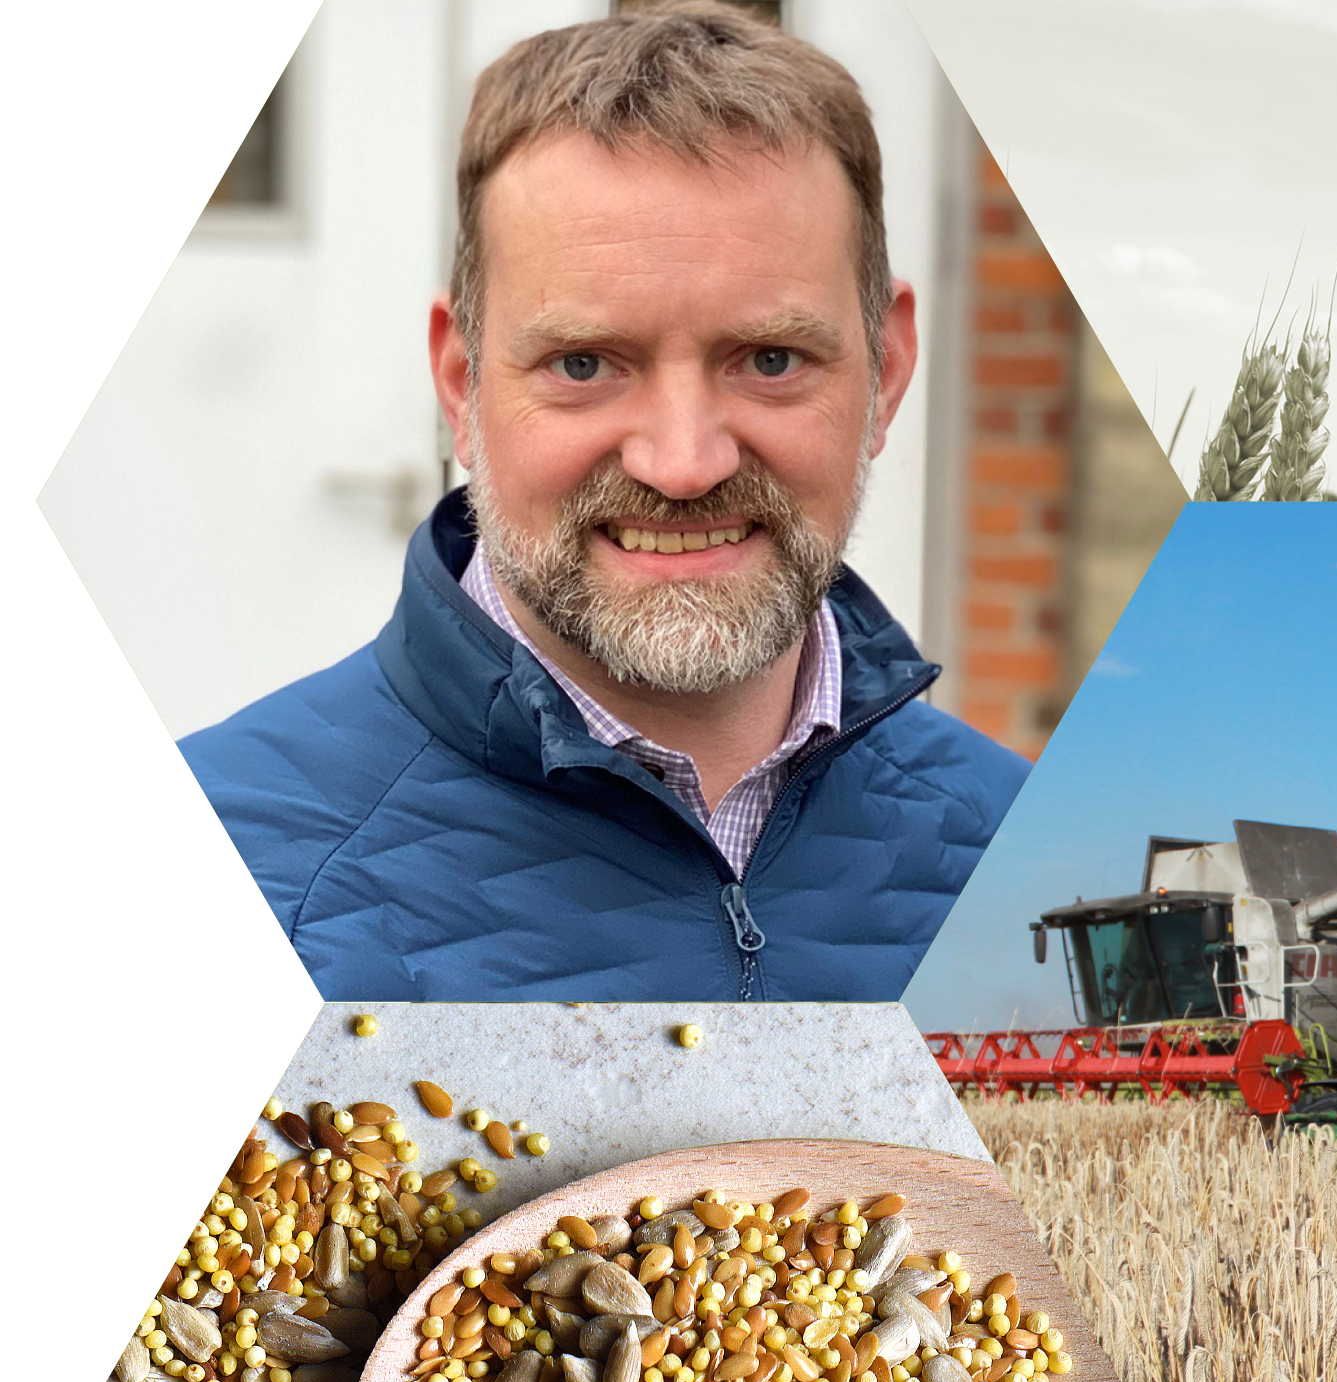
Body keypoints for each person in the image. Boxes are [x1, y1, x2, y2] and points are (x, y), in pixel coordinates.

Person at [182, 3, 1029, 1000]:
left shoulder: (1025, 857)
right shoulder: (209, 872)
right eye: (585, 363)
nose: (682, 464)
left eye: (768, 359)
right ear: (461, 383)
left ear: (885, 369)